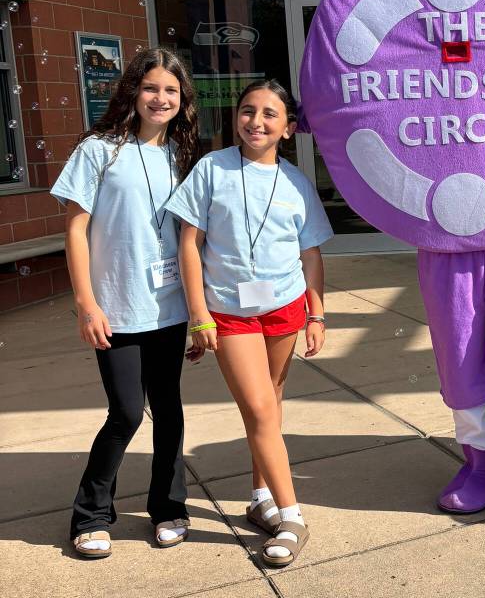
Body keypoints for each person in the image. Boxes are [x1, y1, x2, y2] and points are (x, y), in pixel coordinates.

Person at [167, 79, 332, 568]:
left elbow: (311, 254)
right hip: (229, 313)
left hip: (284, 307)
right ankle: (292, 515)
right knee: (260, 410)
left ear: (288, 128)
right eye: (247, 111)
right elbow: (188, 245)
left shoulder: (297, 183)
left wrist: (316, 313)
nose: (255, 121)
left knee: (270, 406)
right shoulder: (211, 169)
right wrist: (198, 315)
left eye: (269, 114)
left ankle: (260, 498)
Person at [52, 47, 200, 559]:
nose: (160, 98)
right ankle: (91, 513)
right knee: (126, 411)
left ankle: (169, 506)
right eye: (151, 87)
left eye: (171, 91)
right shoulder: (98, 149)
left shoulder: (180, 154)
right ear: (133, 91)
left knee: (170, 408)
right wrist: (86, 303)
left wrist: (200, 314)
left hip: (170, 305)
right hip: (115, 305)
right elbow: (74, 229)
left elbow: (190, 236)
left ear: (183, 101)